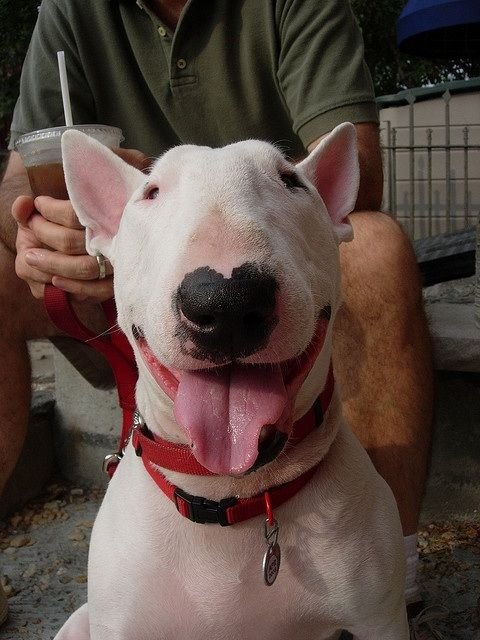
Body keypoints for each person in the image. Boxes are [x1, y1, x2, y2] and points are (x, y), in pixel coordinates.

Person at [0, 0, 437, 634]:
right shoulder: (70, 10)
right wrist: (42, 233)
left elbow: (354, 170)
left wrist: (256, 186)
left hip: (274, 256)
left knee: (375, 246)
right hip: (125, 251)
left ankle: (389, 561)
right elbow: (21, 173)